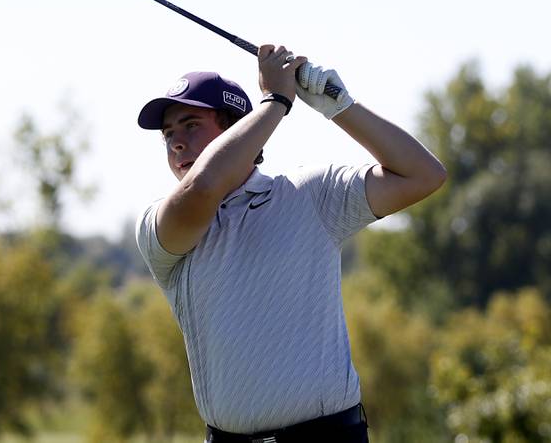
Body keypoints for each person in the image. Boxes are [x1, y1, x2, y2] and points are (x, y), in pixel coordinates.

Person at [134, 45, 447, 443]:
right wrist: (277, 100)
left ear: (236, 129)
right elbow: (203, 188)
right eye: (168, 134)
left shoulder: (310, 195)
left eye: (191, 125)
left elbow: (424, 175)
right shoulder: (160, 224)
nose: (176, 142)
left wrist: (340, 105)